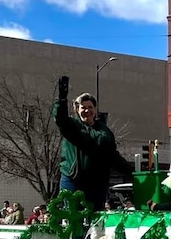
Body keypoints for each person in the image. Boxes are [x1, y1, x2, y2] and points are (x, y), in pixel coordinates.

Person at [53, 76, 134, 212]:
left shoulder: (105, 132)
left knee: (95, 221)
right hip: (73, 179)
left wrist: (133, 172)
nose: (87, 111)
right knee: (73, 218)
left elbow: (112, 156)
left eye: (90, 107)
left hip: (96, 184)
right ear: (77, 110)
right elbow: (60, 119)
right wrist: (61, 100)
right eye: (83, 108)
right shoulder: (72, 126)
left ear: (95, 109)